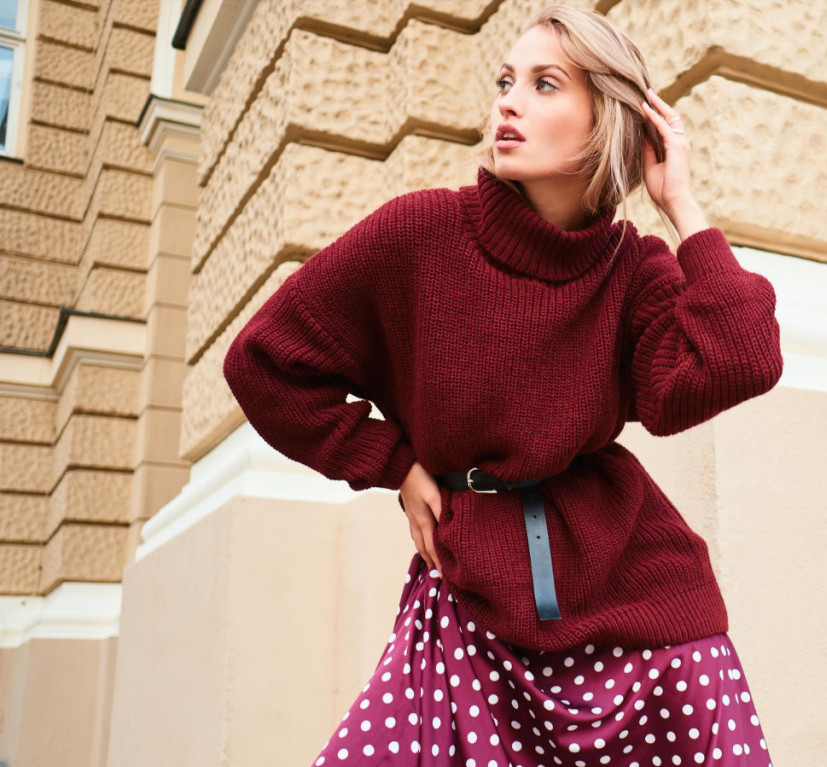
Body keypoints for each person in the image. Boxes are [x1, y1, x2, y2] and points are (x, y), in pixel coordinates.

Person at [222, 5, 783, 765]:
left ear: (608, 119)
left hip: (638, 604)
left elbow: (741, 360)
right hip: (467, 601)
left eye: (544, 84)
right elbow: (264, 362)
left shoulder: (633, 269)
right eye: (504, 82)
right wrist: (393, 464)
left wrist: (680, 204)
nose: (508, 103)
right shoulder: (418, 234)